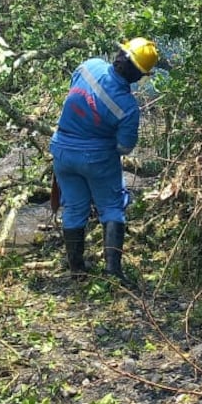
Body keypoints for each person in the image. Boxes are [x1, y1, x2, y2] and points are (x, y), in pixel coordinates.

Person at [49, 37, 160, 282]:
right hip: (97, 158)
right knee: (111, 207)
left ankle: (77, 270)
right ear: (139, 75)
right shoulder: (128, 106)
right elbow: (125, 146)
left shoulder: (89, 66)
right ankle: (112, 272)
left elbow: (73, 90)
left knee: (75, 208)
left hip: (62, 151)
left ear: (120, 53)